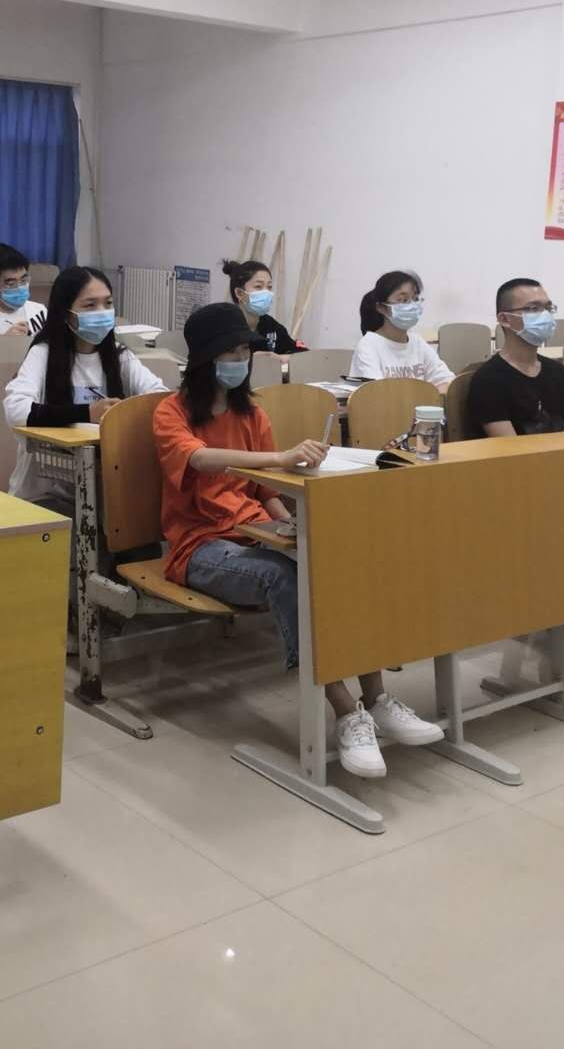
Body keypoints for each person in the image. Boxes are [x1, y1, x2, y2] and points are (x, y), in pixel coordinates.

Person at [153, 302, 442, 778]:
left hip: (255, 530)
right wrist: (282, 459)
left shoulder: (251, 414)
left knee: (332, 564)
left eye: (244, 351)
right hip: (200, 547)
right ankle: (346, 712)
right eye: (229, 352)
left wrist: (293, 528)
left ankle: (377, 698)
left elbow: (266, 492)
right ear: (204, 357)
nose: (239, 360)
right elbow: (200, 458)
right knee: (284, 578)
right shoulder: (172, 412)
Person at [468, 277, 564, 649]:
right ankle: (557, 608)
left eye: (548, 308)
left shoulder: (559, 374)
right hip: (517, 482)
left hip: (561, 476)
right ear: (505, 319)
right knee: (560, 515)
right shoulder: (489, 379)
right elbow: (511, 452)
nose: (545, 316)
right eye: (533, 309)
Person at [4, 266, 165, 507]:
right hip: (45, 491)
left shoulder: (120, 356)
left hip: (103, 489)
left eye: (108, 303)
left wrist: (124, 414)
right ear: (66, 313)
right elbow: (16, 410)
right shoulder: (43, 353)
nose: (102, 312)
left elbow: (160, 398)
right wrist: (87, 413)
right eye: (90, 305)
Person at [349, 270, 454, 390]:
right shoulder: (369, 345)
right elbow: (377, 393)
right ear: (382, 308)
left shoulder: (417, 342)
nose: (412, 305)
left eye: (415, 299)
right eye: (403, 300)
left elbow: (447, 381)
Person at [223, 259, 305, 355]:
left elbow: (299, 352)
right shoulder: (224, 327)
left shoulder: (271, 326)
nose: (266, 293)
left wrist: (286, 357)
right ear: (239, 293)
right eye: (258, 286)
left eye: (269, 287)